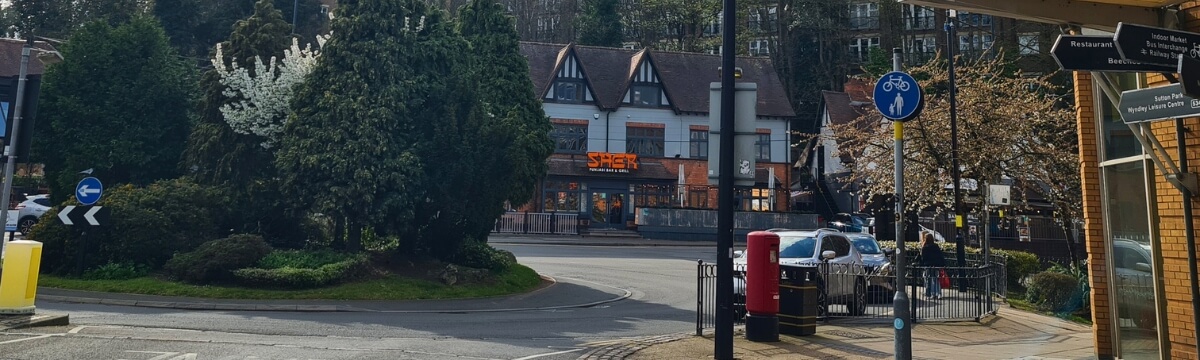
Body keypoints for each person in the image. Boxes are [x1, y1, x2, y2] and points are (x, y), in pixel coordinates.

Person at [919, 231, 947, 299]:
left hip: (928, 265)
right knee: (936, 279)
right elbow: (940, 256)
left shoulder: (925, 248)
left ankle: (930, 294)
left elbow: (923, 257)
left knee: (929, 279)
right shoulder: (936, 246)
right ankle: (938, 293)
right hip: (936, 265)